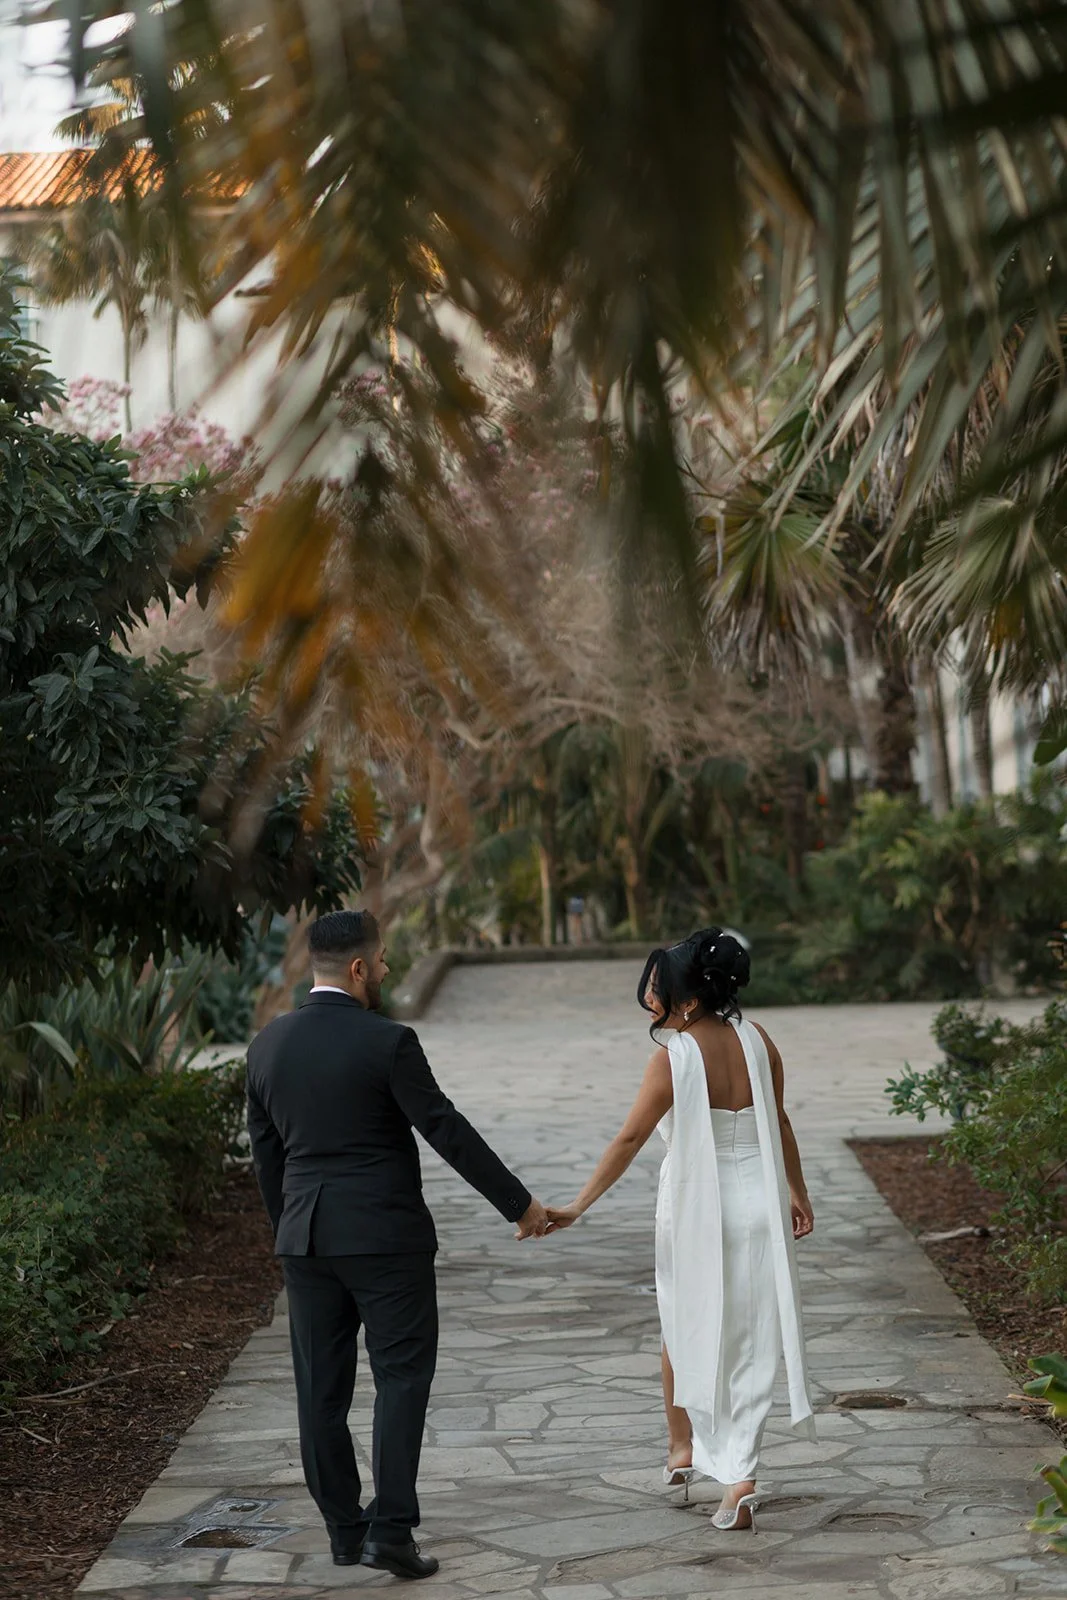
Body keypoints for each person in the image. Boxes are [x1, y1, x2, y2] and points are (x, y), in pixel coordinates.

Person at [246, 910, 548, 1581]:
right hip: (384, 1239)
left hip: (305, 1240)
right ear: (357, 968)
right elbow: (444, 1128)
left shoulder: (266, 1045)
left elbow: (267, 1157)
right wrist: (518, 1205)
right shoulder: (387, 1042)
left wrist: (289, 1230)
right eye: (380, 960)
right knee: (401, 1378)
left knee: (319, 1393)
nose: (384, 970)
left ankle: (344, 1533)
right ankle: (391, 1532)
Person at [546, 927, 815, 1531]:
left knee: (689, 1325)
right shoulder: (759, 1040)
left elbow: (629, 1139)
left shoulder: (673, 1056)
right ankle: (727, 1465)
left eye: (657, 982)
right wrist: (797, 1192)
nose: (648, 990)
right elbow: (780, 1122)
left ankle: (703, 1456)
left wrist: (578, 1205)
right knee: (750, 1337)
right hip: (760, 1203)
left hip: (699, 1207)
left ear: (687, 999)